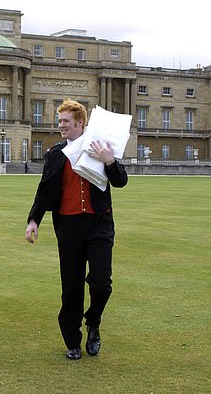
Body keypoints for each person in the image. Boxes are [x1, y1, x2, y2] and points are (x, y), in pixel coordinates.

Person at [24, 99, 128, 360]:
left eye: (65, 122)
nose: (61, 126)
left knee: (101, 282)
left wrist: (110, 161)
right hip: (68, 227)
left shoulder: (101, 148)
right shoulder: (56, 154)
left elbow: (121, 181)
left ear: (80, 123)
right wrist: (34, 220)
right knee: (71, 287)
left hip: (98, 225)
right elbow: (45, 190)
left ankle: (93, 322)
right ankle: (72, 340)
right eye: (59, 121)